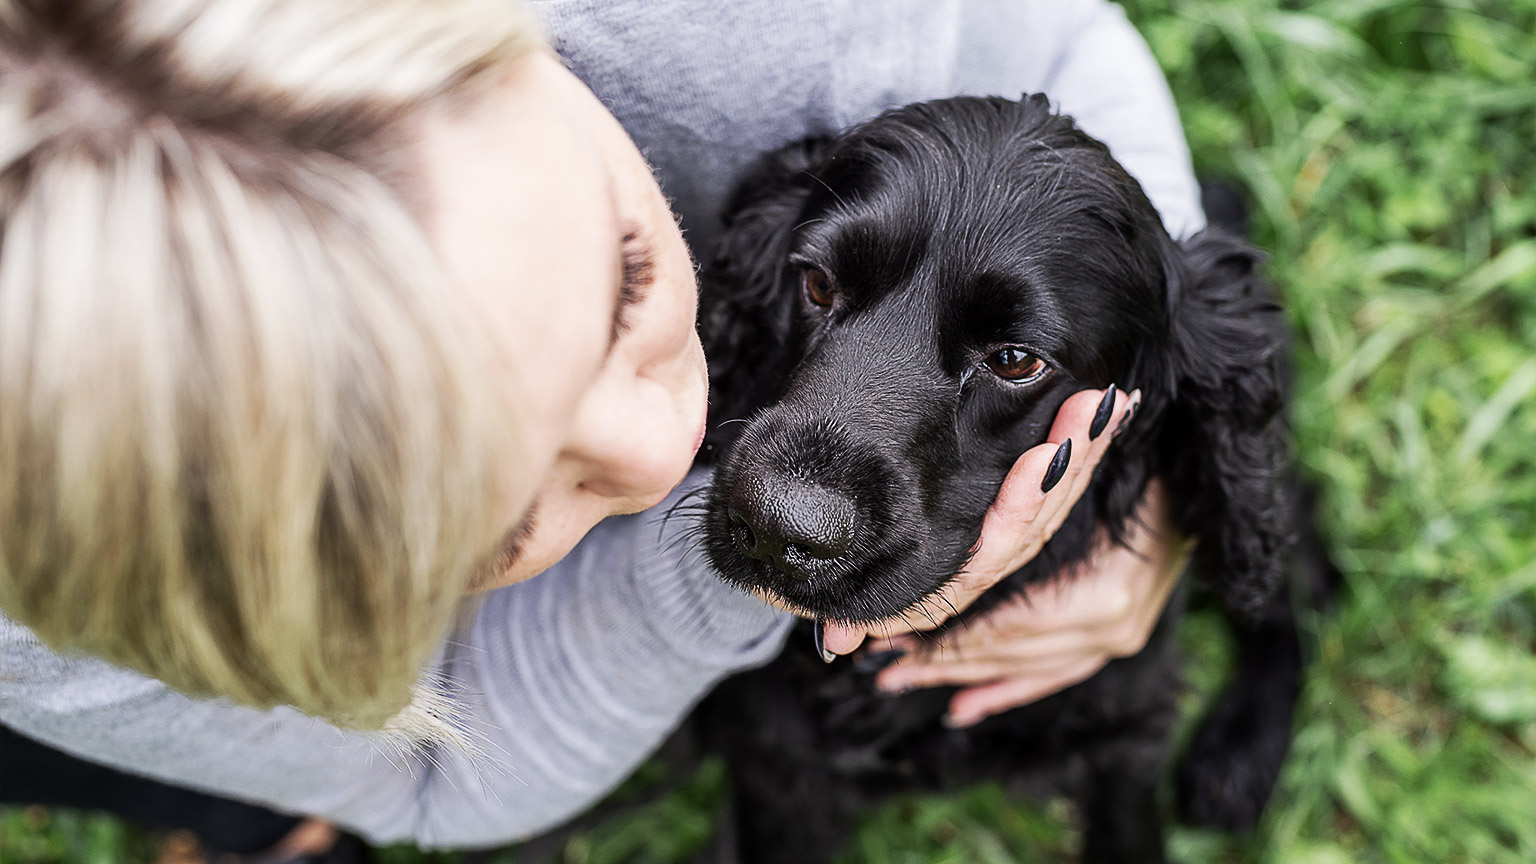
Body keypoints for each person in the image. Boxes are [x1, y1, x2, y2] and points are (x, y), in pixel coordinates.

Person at [0, 0, 1195, 854]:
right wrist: (722, 593)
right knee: (269, 781)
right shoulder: (44, 633)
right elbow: (429, 775)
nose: (673, 452)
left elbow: (1070, 42)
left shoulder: (736, 25)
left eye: (624, 274)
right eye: (504, 522)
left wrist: (1147, 407)